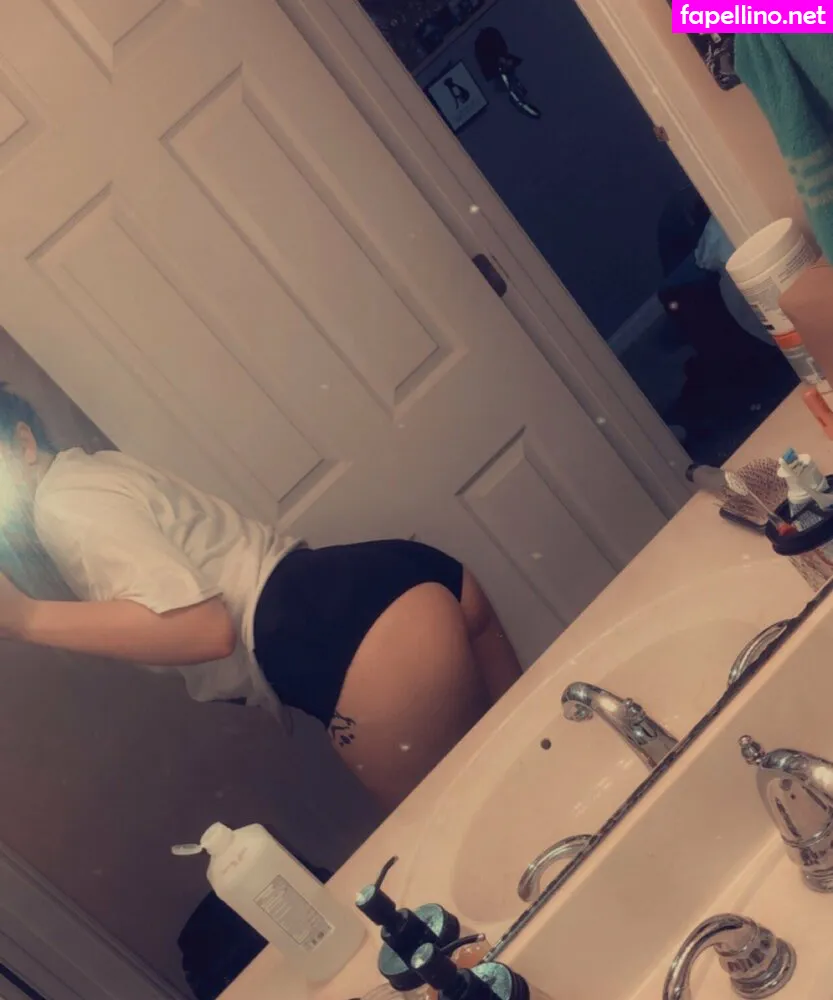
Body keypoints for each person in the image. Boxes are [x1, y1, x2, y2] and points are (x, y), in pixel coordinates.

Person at [0, 385, 522, 811]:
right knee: (535, 775)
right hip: (384, 586)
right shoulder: (89, 473)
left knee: (473, 844)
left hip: (347, 640)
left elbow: (205, 629)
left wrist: (28, 620)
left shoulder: (63, 504)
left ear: (23, 442)